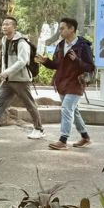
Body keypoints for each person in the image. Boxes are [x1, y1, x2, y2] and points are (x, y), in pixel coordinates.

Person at [0, 16, 45, 139]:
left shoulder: (21, 42)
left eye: (8, 24)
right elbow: (4, 59)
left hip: (21, 80)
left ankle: (39, 129)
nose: (4, 26)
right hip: (8, 80)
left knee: (29, 105)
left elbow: (22, 61)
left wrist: (7, 72)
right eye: (3, 24)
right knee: (0, 103)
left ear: (15, 27)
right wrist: (4, 74)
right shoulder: (4, 40)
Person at [36, 17, 95, 151]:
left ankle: (63, 140)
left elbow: (90, 67)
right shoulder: (60, 45)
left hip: (76, 83)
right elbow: (57, 65)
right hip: (62, 83)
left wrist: (77, 60)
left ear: (72, 29)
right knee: (74, 111)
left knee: (67, 109)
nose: (60, 31)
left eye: (62, 28)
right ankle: (85, 137)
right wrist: (46, 61)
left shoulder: (83, 46)